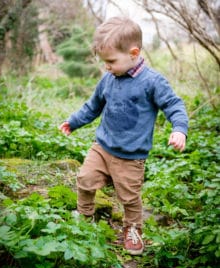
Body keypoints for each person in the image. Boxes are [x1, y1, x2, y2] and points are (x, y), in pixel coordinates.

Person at [59, 16, 188, 255]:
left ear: (133, 52)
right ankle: (85, 218)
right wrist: (74, 122)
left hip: (131, 156)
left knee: (129, 198)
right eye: (104, 61)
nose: (106, 66)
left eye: (110, 61)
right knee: (85, 180)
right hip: (102, 146)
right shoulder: (108, 78)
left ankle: (133, 230)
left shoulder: (153, 82)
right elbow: (93, 106)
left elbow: (174, 105)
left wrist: (179, 129)